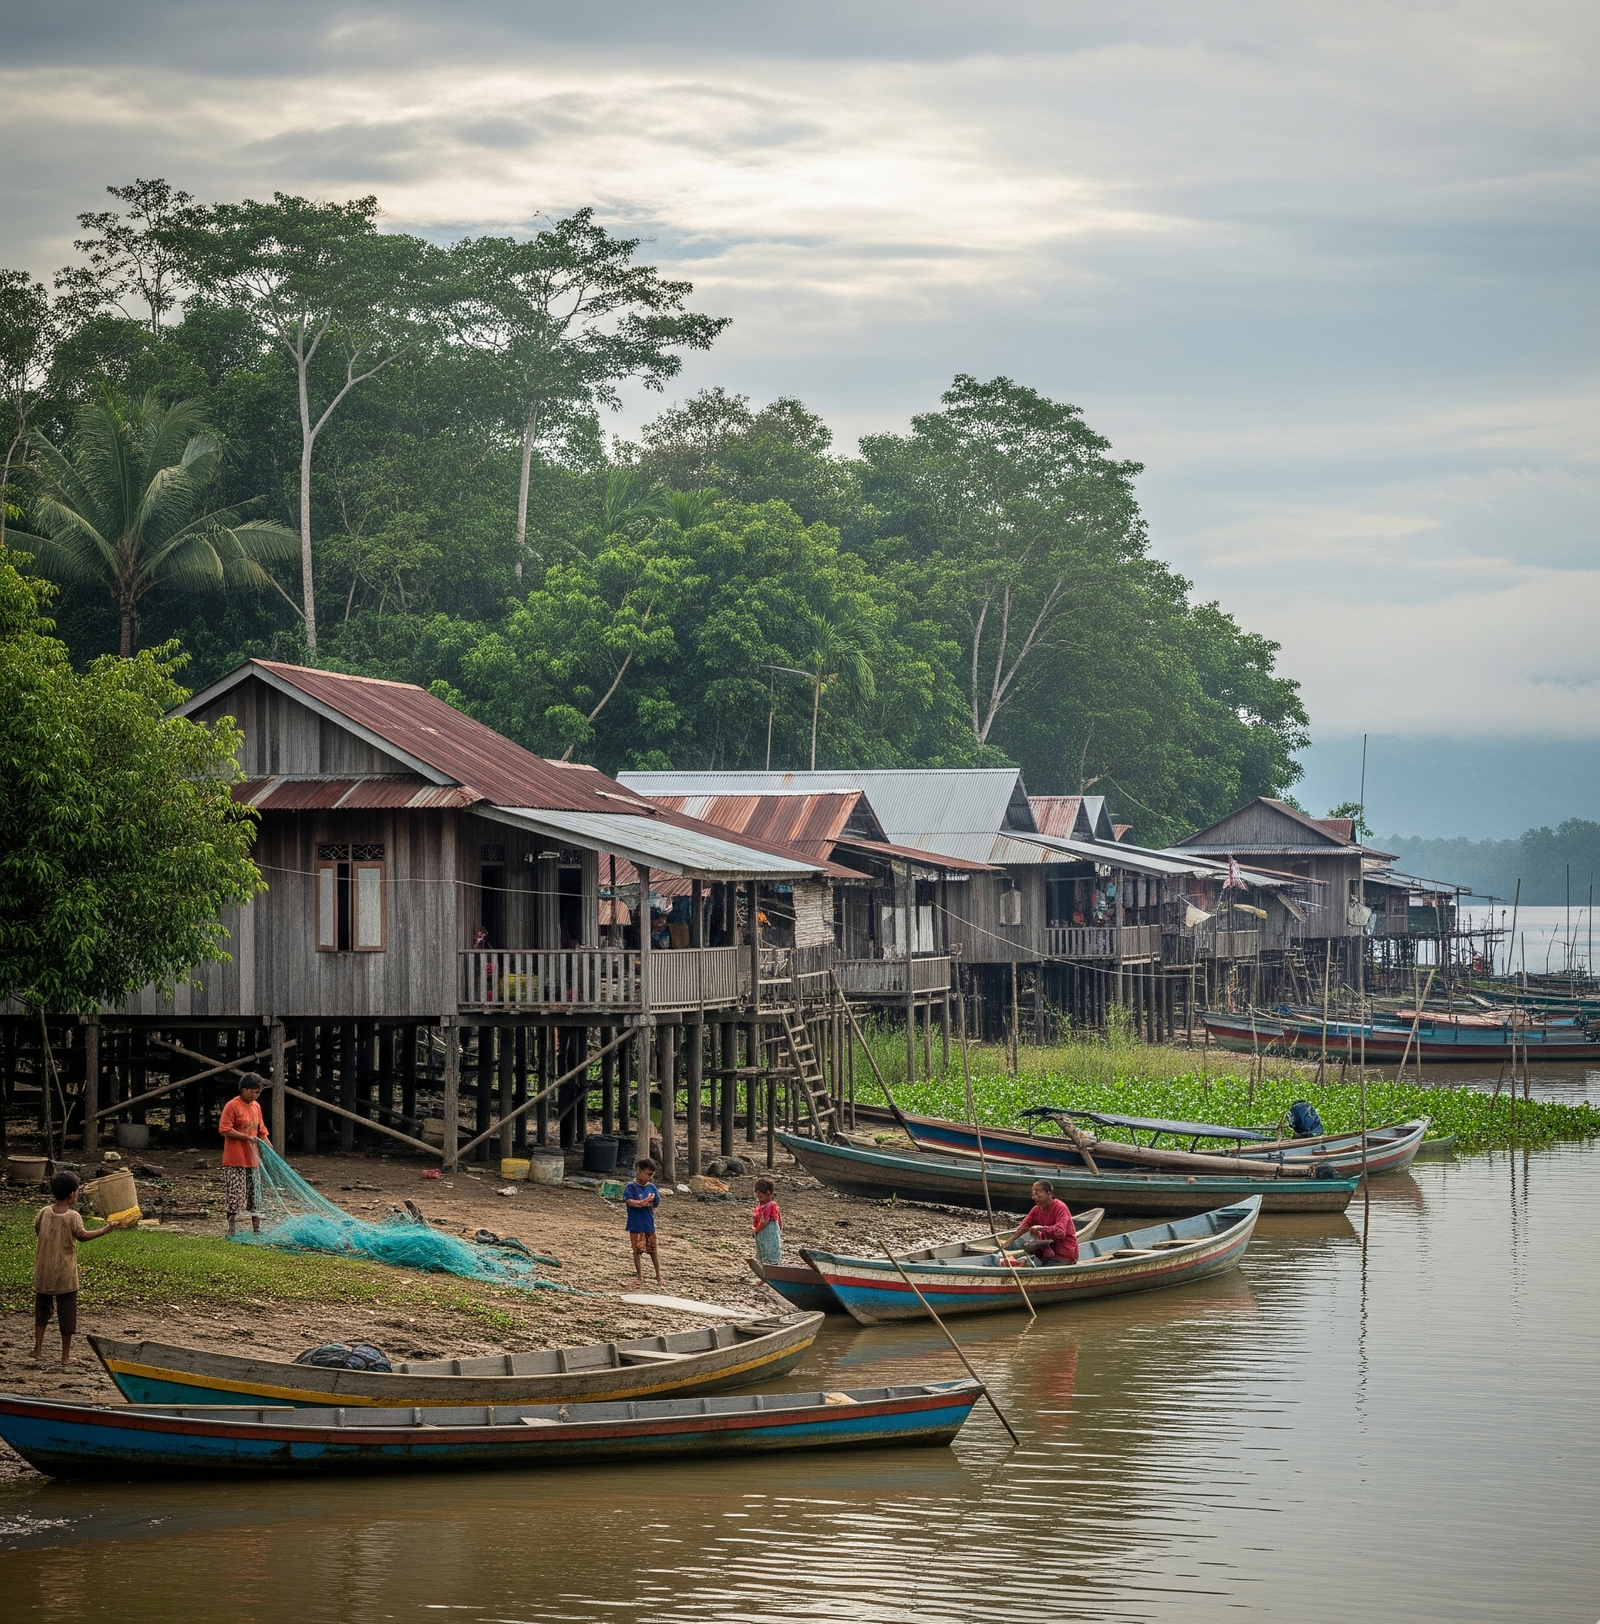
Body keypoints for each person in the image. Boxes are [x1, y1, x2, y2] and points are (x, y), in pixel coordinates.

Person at [33, 1171, 124, 1366]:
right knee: (67, 1315)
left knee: (42, 1312)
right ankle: (65, 1356)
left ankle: (37, 1350)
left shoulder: (44, 1212)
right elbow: (82, 1236)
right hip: (65, 1275)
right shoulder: (73, 1216)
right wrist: (105, 1230)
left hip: (43, 1273)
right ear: (72, 1194)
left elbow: (37, 1228)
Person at [219, 1072, 271, 1237]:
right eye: (251, 1091)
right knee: (235, 1195)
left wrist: (269, 1146)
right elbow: (224, 1129)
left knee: (255, 1195)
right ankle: (231, 1229)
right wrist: (248, 1137)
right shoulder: (232, 1106)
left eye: (257, 1092)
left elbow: (261, 1131)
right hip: (234, 1159)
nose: (255, 1095)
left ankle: (256, 1229)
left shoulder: (256, 1106)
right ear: (242, 1090)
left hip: (253, 1160)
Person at [1002, 1178, 1078, 1265]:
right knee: (1020, 1261)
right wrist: (1009, 1241)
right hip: (1045, 1254)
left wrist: (1042, 1229)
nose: (1034, 1197)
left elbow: (1060, 1232)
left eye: (1037, 1194)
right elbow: (1024, 1226)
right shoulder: (1036, 1209)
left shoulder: (1060, 1207)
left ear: (1048, 1194)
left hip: (1063, 1255)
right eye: (1033, 1194)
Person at [623, 1157, 663, 1285]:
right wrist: (640, 1202)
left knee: (653, 1251)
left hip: (649, 1225)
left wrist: (653, 1199)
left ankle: (659, 1277)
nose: (650, 1178)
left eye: (652, 1175)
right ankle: (639, 1276)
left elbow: (656, 1203)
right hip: (636, 1225)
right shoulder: (631, 1187)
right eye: (648, 1174)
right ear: (639, 1171)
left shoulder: (652, 1187)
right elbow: (628, 1201)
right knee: (637, 1251)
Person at [751, 1178, 782, 1264]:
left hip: (768, 1232)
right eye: (757, 1193)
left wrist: (756, 1230)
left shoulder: (771, 1205)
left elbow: (765, 1220)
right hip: (761, 1233)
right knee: (762, 1250)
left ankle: (771, 1266)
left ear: (768, 1194)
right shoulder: (760, 1204)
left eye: (760, 1194)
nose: (758, 1196)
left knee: (770, 1251)